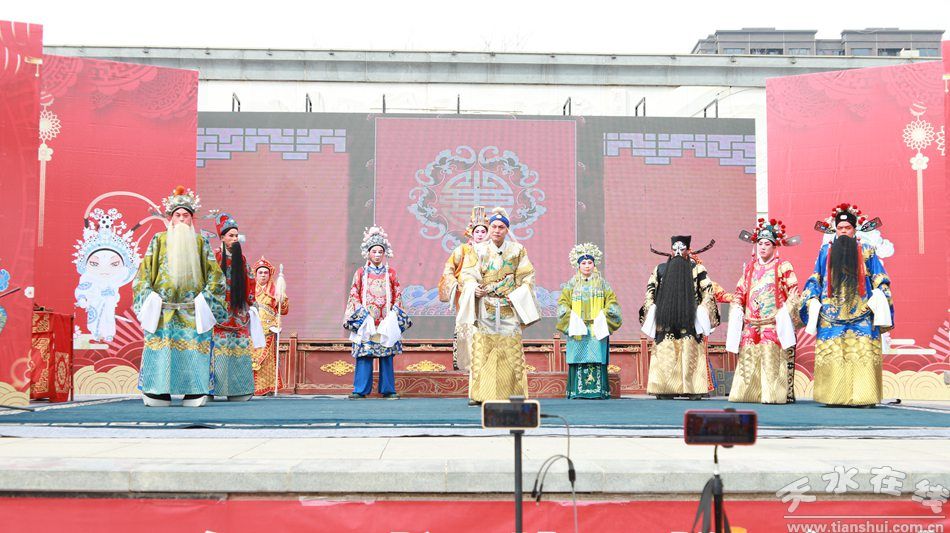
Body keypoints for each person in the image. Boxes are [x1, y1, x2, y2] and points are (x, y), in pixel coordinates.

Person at [132, 186, 226, 407]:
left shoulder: (201, 243)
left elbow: (216, 277)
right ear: (170, 218)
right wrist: (151, 300)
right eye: (178, 215)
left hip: (192, 312)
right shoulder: (158, 240)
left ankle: (193, 391)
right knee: (162, 351)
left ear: (192, 219)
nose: (182, 219)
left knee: (192, 351)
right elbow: (143, 274)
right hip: (162, 312)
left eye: (186, 215)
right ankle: (158, 391)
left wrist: (203, 300)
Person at [799, 203, 892, 407]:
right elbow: (815, 278)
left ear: (854, 229)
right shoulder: (825, 251)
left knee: (862, 353)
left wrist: (880, 297)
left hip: (862, 312)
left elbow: (880, 278)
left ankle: (864, 397)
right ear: (835, 230)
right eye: (840, 228)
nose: (843, 231)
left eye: (847, 228)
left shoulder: (867, 250)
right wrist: (812, 298)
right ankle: (833, 396)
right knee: (833, 354)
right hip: (831, 314)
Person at [458, 207, 539, 405]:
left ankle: (515, 393)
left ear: (507, 229)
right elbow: (467, 274)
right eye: (493, 226)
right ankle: (479, 394)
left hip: (508, 306)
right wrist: (474, 288)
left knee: (511, 350)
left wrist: (517, 296)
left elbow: (527, 277)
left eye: (501, 227)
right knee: (482, 351)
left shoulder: (517, 250)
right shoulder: (478, 250)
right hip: (485, 306)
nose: (496, 230)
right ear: (489, 228)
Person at [726, 218, 801, 404]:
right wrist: (737, 306)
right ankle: (748, 394)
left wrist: (784, 313)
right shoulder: (750, 268)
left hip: (772, 323)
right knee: (747, 360)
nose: (763, 247)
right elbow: (740, 291)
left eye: (767, 244)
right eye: (760, 244)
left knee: (771, 358)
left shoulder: (783, 266)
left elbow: (794, 292)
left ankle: (772, 395)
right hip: (751, 322)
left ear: (774, 246)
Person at [639, 235, 719, 399]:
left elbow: (708, 292)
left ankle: (693, 388)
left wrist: (702, 310)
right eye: (674, 249)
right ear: (670, 250)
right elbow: (650, 291)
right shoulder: (660, 269)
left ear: (688, 251)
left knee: (690, 352)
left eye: (682, 249)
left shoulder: (697, 269)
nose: (677, 252)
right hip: (665, 319)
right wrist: (651, 308)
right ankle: (665, 388)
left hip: (689, 318)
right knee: (666, 353)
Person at [343, 226, 411, 399]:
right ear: (368, 253)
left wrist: (393, 314)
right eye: (374, 251)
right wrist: (362, 314)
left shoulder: (391, 273)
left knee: (386, 356)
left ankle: (388, 390)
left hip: (385, 319)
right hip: (367, 319)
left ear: (384, 253)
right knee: (364, 355)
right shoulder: (360, 273)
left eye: (381, 251)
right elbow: (354, 293)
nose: (378, 255)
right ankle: (360, 390)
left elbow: (397, 294)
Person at [556, 243, 622, 399]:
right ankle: (576, 391)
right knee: (578, 358)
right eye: (583, 263)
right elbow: (562, 304)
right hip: (577, 326)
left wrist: (603, 314)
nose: (587, 266)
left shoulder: (602, 283)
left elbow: (612, 302)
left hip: (596, 327)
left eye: (590, 262)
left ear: (594, 264)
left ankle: (598, 391)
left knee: (597, 358)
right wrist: (572, 316)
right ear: (578, 265)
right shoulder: (571, 284)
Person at [73, 208, 141, 342]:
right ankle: (95, 333)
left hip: (109, 299)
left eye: (114, 264)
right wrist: (82, 298)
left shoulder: (116, 278)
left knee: (108, 315)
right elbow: (81, 289)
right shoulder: (88, 277)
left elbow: (126, 275)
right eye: (94, 263)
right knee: (94, 317)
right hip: (94, 300)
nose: (104, 269)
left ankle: (109, 333)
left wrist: (110, 293)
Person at [210, 212, 258, 402]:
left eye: (236, 235)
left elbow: (250, 281)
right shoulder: (214, 257)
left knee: (238, 349)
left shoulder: (242, 259)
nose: (235, 239)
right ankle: (211, 389)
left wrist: (251, 303)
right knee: (216, 351)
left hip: (237, 312)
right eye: (231, 235)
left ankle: (238, 389)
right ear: (222, 237)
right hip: (218, 312)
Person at [438, 206, 490, 373]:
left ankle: (487, 366)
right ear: (472, 233)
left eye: (483, 231)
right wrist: (458, 285)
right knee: (467, 329)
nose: (480, 234)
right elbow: (448, 270)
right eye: (477, 231)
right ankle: (466, 365)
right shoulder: (462, 250)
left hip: (488, 297)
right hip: (466, 296)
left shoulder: (493, 252)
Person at [252, 257, 289, 396]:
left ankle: (266, 388)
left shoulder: (275, 290)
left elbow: (283, 311)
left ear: (270, 274)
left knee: (266, 361)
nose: (263, 275)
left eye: (265, 273)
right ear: (255, 274)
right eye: (260, 272)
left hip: (268, 330)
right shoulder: (250, 290)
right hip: (251, 330)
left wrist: (282, 300)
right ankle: (248, 388)